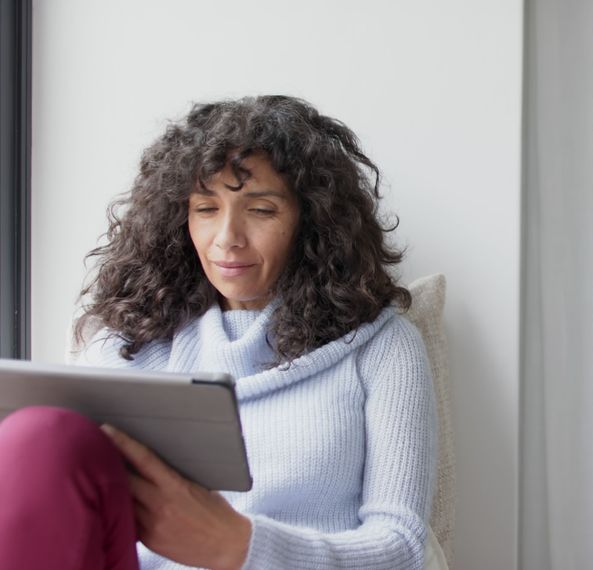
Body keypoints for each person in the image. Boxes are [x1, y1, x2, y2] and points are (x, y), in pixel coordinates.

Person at [0, 95, 437, 569]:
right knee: (38, 435)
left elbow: (401, 548)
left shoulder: (382, 346)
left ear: (310, 221)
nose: (227, 237)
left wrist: (240, 547)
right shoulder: (129, 339)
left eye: (262, 210)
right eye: (206, 208)